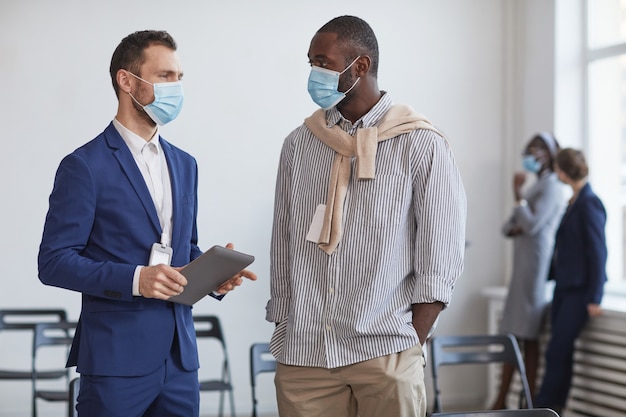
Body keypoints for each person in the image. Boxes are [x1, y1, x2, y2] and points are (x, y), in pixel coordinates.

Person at [37, 30, 256, 417]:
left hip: (180, 362)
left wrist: (213, 275)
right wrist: (138, 279)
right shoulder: (84, 166)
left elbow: (183, 250)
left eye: (180, 77)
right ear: (127, 81)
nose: (177, 87)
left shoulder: (185, 164)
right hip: (115, 362)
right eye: (166, 76)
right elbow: (53, 262)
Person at [265, 15, 467, 417]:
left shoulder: (421, 143)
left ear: (360, 66)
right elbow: (282, 243)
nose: (314, 73)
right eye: (311, 63)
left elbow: (440, 255)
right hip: (305, 357)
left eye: (322, 62)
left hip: (384, 352)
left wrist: (410, 342)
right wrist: (285, 326)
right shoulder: (299, 144)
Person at [491, 132, 565, 409]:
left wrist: (518, 197)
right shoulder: (539, 185)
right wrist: (521, 213)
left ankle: (522, 403)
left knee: (527, 334)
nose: (530, 153)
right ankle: (504, 400)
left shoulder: (553, 187)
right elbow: (508, 228)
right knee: (514, 332)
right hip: (522, 265)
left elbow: (531, 226)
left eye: (537, 149)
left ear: (548, 154)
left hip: (535, 267)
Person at [534, 148, 607, 414]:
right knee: (559, 354)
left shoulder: (590, 202)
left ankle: (543, 409)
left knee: (557, 353)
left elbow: (598, 252)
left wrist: (595, 297)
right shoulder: (574, 200)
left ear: (563, 172)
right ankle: (553, 409)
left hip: (578, 293)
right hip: (564, 289)